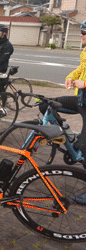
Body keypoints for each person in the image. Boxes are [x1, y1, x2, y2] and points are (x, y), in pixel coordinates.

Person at [40, 19, 86, 157]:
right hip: (81, 99)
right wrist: (70, 77)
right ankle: (65, 133)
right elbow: (81, 69)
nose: (81, 35)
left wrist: (84, 84)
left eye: (84, 32)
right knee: (45, 105)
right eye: (81, 31)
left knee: (83, 148)